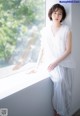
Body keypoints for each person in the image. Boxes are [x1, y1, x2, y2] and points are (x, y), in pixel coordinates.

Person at [34, 3, 75, 116]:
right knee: (59, 87)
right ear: (51, 14)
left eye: (60, 14)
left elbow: (68, 50)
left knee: (65, 89)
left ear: (63, 16)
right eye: (55, 13)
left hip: (64, 63)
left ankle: (61, 112)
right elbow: (42, 49)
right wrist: (36, 66)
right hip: (50, 63)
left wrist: (56, 62)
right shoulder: (45, 30)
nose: (57, 15)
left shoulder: (67, 29)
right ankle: (58, 112)